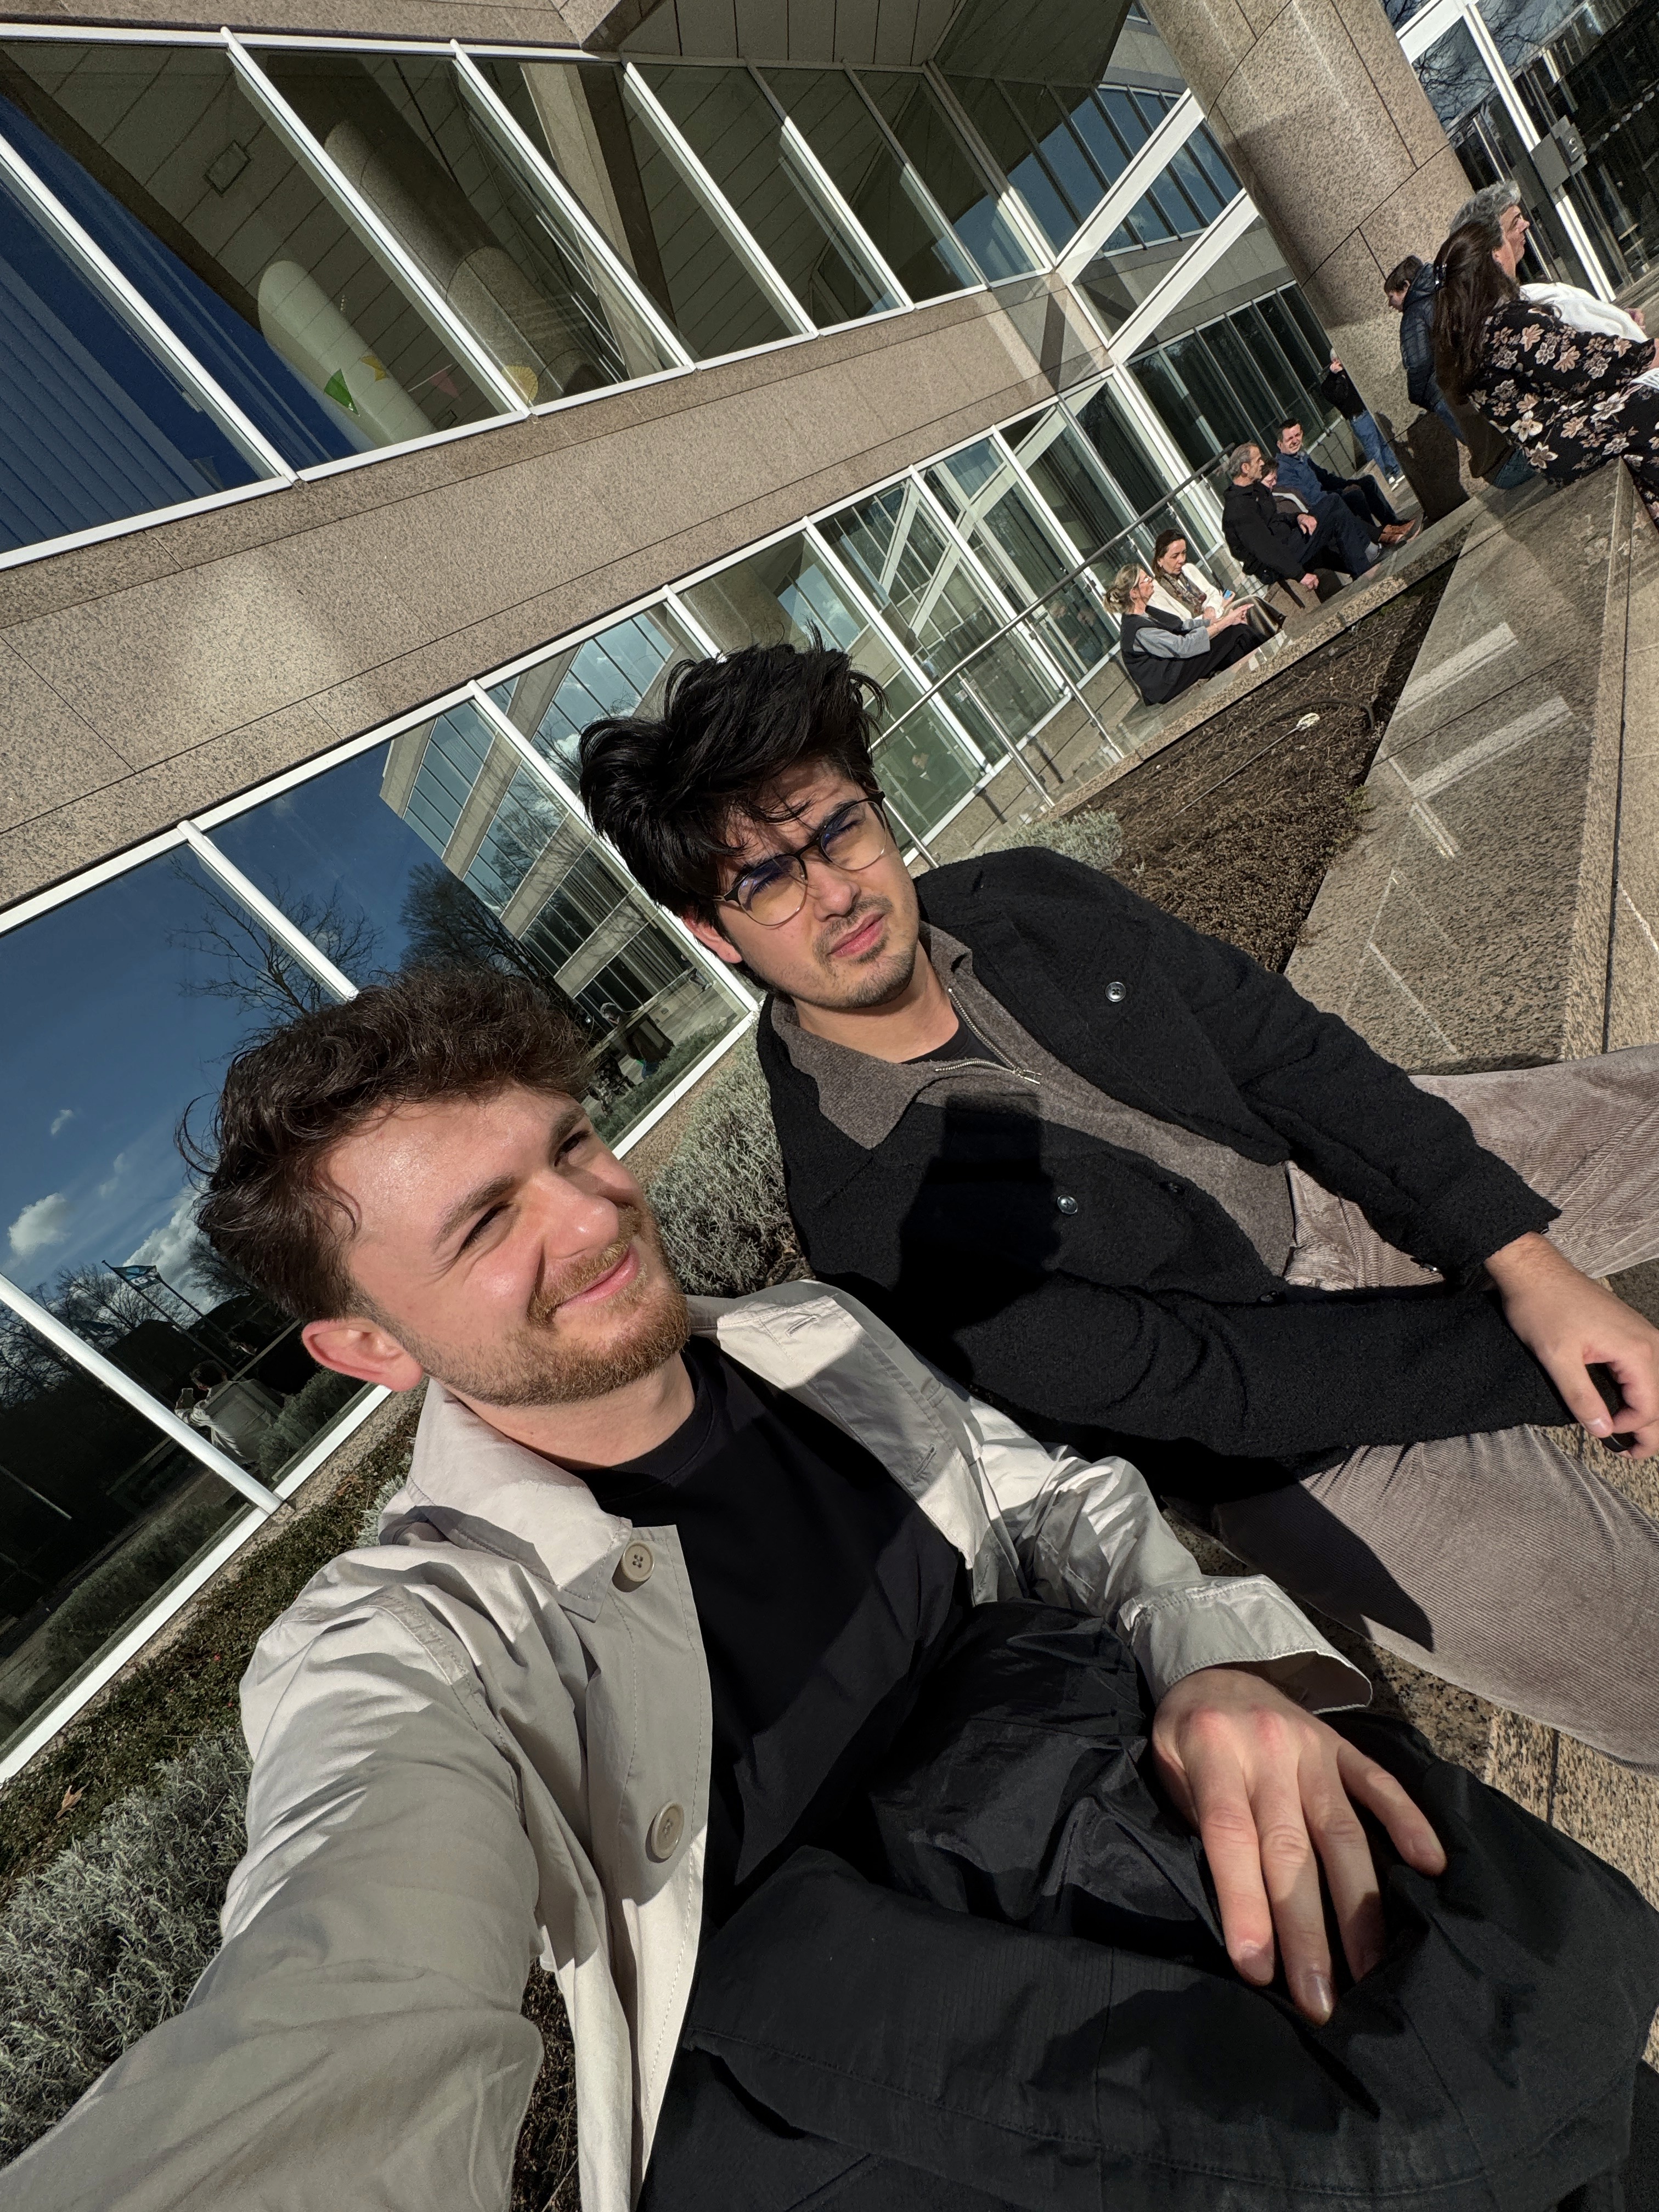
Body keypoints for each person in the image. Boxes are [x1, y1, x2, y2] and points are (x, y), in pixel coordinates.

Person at [11, 966, 1657, 2212]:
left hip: (1169, 1883)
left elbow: (1062, 1504)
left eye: (572, 1144)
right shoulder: (417, 1639)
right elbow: (345, 1989)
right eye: (487, 1222)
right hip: (956, 2105)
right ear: (367, 1347)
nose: (592, 1216)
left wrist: (1217, 1665)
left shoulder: (816, 1339)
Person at [578, 642, 1659, 1778]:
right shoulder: (879, 1216)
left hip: (1310, 1191)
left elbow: (1290, 1060)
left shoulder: (1031, 901)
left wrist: (1529, 1267)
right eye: (766, 881)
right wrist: (1548, 1364)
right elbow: (1215, 1385)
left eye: (838, 830)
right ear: (713, 932)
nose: (834, 892)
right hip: (1283, 1443)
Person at [1435, 211, 1659, 526]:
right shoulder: (1508, 323)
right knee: (1650, 402)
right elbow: (1584, 361)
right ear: (1495, 256)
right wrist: (1648, 353)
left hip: (1553, 450)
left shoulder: (1471, 333)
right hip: (1569, 438)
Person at [1222, 440, 1376, 592]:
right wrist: (1301, 576)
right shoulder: (1239, 509)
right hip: (1273, 563)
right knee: (1333, 509)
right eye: (1258, 460)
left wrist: (1298, 517)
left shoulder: (1255, 490)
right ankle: (1364, 569)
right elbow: (1265, 549)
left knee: (1332, 502)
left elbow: (1275, 519)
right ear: (1245, 468)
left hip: (1286, 542)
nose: (1263, 463)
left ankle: (1364, 564)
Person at [1107, 562, 1256, 706]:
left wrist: (1218, 621)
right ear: (1134, 593)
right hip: (1169, 682)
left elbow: (1181, 626)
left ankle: (1252, 685)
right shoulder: (1138, 630)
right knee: (1235, 633)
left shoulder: (1147, 612)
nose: (1151, 580)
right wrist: (1225, 623)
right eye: (1145, 579)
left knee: (1233, 637)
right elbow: (1182, 647)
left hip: (1177, 666)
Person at [1272, 416, 1418, 546]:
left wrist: (1347, 484)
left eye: (1297, 435)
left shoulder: (1302, 457)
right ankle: (1379, 537)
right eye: (1290, 439)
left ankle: (1392, 523)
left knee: (1367, 482)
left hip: (1327, 495)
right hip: (1319, 506)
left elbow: (1325, 478)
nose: (1295, 441)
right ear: (1280, 444)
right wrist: (1342, 491)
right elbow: (1307, 498)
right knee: (1355, 495)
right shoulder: (1284, 469)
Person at [1148, 526, 1282, 640]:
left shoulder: (1189, 570)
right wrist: (1213, 613)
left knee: (1251, 604)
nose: (1182, 560)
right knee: (1244, 614)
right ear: (1160, 560)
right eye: (1175, 556)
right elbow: (1181, 624)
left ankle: (1279, 636)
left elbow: (1214, 595)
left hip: (1218, 616)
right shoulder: (1156, 591)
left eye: (1184, 553)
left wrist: (1213, 609)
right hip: (1201, 633)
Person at [1319, 353, 1402, 483]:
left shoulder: (1351, 371)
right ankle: (1382, 478)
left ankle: (1394, 468)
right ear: (1335, 361)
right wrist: (1340, 376)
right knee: (1373, 448)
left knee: (1384, 441)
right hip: (1359, 417)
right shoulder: (1328, 385)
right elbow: (1341, 395)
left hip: (1369, 410)